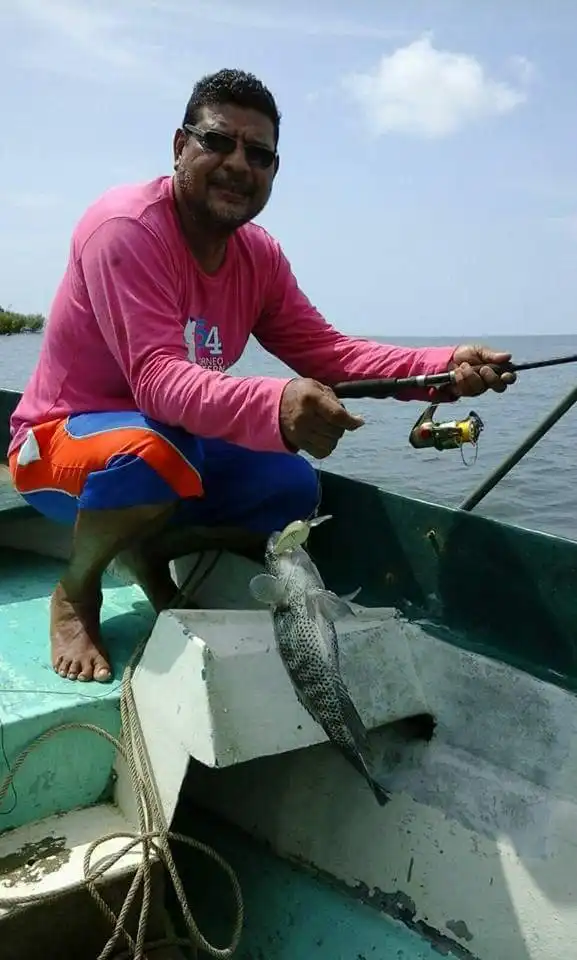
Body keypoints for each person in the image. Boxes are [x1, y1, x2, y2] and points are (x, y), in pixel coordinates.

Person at [8, 68, 516, 684]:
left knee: (292, 489)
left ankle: (145, 549)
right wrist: (277, 406)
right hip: (55, 446)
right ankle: (76, 589)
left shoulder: (260, 256)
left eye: (260, 153)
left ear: (275, 170)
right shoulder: (125, 230)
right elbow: (159, 381)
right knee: (153, 455)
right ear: (179, 146)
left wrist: (443, 367)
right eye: (218, 141)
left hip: (168, 444)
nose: (238, 164)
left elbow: (329, 353)